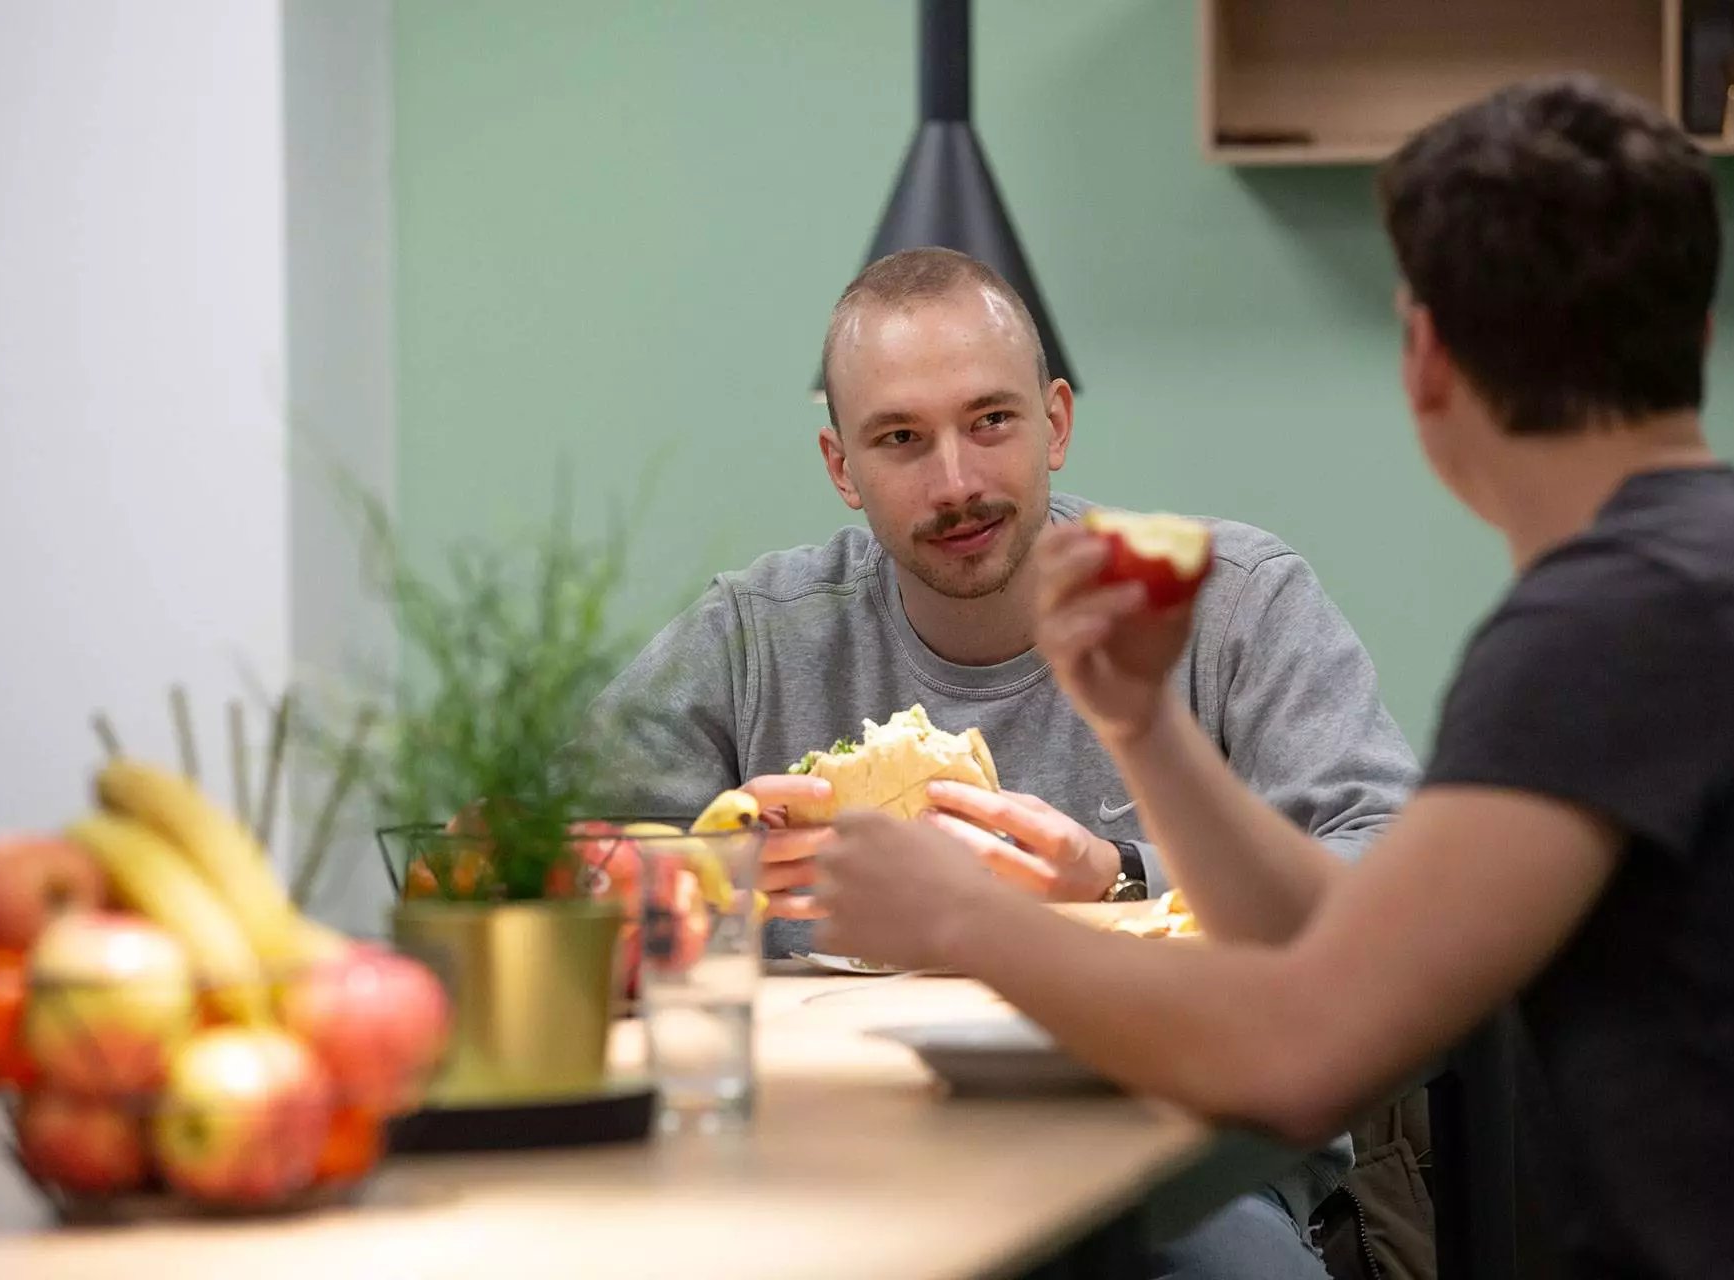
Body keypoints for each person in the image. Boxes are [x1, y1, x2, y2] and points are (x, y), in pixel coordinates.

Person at [816, 77, 1734, 1280]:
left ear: (1424, 355)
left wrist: (960, 916)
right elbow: (1352, 942)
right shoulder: (1733, 573)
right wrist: (1146, 733)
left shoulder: (1604, 635)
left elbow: (1306, 1049)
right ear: (1695, 335)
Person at [596, 246, 1418, 1277]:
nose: (957, 482)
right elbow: (529, 867)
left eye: (991, 421)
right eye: (901, 438)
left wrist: (1118, 870)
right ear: (840, 465)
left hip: (1183, 1165)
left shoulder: (1226, 600)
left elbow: (1386, 861)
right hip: (839, 1160)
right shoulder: (755, 636)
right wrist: (718, 871)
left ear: (1057, 423)